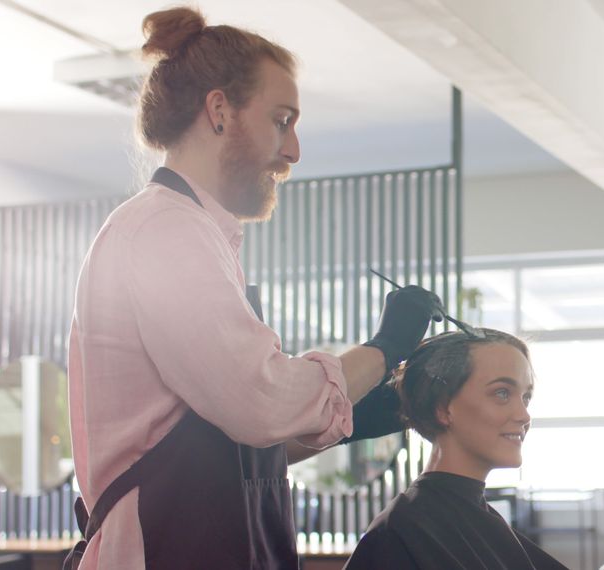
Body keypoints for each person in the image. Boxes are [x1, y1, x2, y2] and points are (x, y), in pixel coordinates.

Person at [65, 7, 440, 569]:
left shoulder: (196, 236)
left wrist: (360, 414)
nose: (293, 151)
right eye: (282, 120)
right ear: (220, 110)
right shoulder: (165, 231)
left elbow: (230, 449)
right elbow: (260, 403)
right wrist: (386, 346)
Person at [345, 329, 569, 570]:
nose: (524, 415)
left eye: (525, 398)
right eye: (502, 393)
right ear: (442, 408)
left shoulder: (470, 518)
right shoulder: (403, 532)